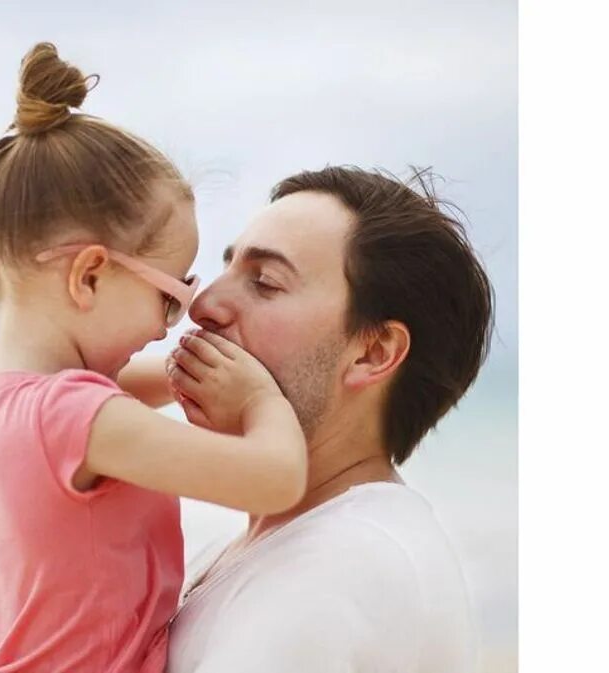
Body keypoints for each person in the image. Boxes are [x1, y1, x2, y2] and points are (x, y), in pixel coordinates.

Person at [0, 43, 308, 673]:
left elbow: (88, 400)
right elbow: (276, 480)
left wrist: (178, 374)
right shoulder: (78, 418)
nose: (180, 320)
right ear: (89, 276)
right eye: (170, 297)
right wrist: (259, 398)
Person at [163, 166, 494, 673]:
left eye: (265, 283)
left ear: (374, 352)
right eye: (226, 267)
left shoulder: (345, 564)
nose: (203, 305)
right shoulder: (272, 548)